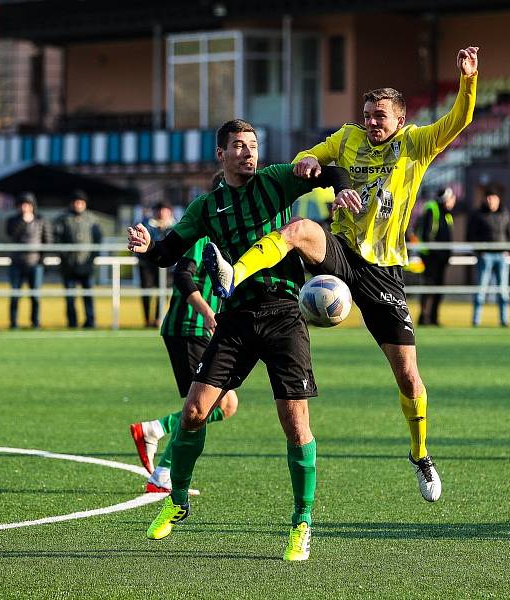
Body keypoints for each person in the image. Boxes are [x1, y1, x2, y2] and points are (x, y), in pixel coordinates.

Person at [201, 47, 479, 503]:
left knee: (408, 376)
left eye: (381, 116)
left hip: (384, 272)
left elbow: (459, 120)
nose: (371, 122)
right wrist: (308, 162)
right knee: (301, 229)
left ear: (400, 120)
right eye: (368, 114)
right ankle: (233, 272)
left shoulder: (416, 145)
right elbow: (313, 156)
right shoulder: (348, 138)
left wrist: (468, 80)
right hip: (342, 252)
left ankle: (421, 454)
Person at [127, 119, 352, 561]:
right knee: (194, 411)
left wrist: (339, 186)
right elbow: (169, 254)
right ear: (221, 154)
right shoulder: (207, 207)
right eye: (239, 146)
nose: (249, 152)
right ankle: (178, 501)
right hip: (236, 319)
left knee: (295, 423)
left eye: (253, 145)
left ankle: (301, 522)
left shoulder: (274, 181)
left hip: (285, 314)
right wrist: (146, 246)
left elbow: (330, 173)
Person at [129, 173, 239, 494]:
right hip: (188, 328)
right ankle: (162, 470)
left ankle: (156, 432)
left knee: (224, 405)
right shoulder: (205, 232)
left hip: (205, 329)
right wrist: (206, 311)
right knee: (211, 405)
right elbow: (183, 276)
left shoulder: (232, 233)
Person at [53, 189, 103, 328]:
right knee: (70, 297)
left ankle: (90, 321)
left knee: (88, 295)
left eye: (81, 202)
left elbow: (98, 240)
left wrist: (91, 259)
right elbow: (57, 239)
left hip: (86, 265)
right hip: (68, 266)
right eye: (75, 202)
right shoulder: (62, 219)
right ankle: (72, 322)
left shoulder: (92, 219)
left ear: (85, 204)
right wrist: (66, 258)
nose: (78, 205)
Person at [466, 189, 510, 327]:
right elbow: (471, 235)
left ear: (498, 199)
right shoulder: (478, 215)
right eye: (488, 198)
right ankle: (476, 320)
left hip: (501, 256)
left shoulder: (505, 214)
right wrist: (481, 251)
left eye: (493, 198)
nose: (490, 201)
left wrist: (508, 250)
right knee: (481, 290)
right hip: (485, 256)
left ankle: (504, 320)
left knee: (503, 291)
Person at [6, 192, 52, 329]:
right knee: (15, 295)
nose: (24, 207)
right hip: (17, 263)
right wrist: (23, 221)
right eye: (22, 205)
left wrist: (42, 259)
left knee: (35, 296)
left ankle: (35, 322)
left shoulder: (41, 220)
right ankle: (13, 323)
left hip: (35, 264)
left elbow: (47, 240)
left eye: (27, 204)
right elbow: (11, 235)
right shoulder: (13, 221)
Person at [417, 187, 456, 326]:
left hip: (441, 258)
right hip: (430, 256)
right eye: (451, 198)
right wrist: (436, 252)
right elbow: (426, 235)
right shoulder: (432, 208)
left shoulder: (448, 215)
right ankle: (423, 318)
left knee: (439, 288)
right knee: (429, 287)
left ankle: (434, 318)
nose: (453, 201)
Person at [139, 202, 176, 327]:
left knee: (163, 292)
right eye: (158, 209)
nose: (161, 212)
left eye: (164, 209)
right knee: (146, 292)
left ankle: (158, 319)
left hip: (168, 266)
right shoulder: (145, 225)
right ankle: (147, 320)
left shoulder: (176, 226)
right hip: (147, 265)